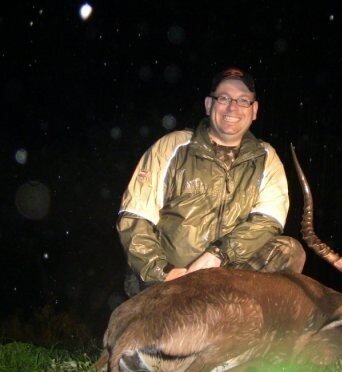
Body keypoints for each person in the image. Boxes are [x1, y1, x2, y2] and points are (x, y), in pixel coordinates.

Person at [117, 67, 306, 297]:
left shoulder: (266, 158)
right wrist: (163, 272)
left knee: (289, 251)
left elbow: (268, 222)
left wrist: (218, 255)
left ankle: (243, 322)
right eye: (224, 98)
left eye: (243, 100)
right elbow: (134, 217)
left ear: (254, 110)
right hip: (170, 279)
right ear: (208, 105)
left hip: (227, 282)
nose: (233, 107)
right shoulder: (171, 146)